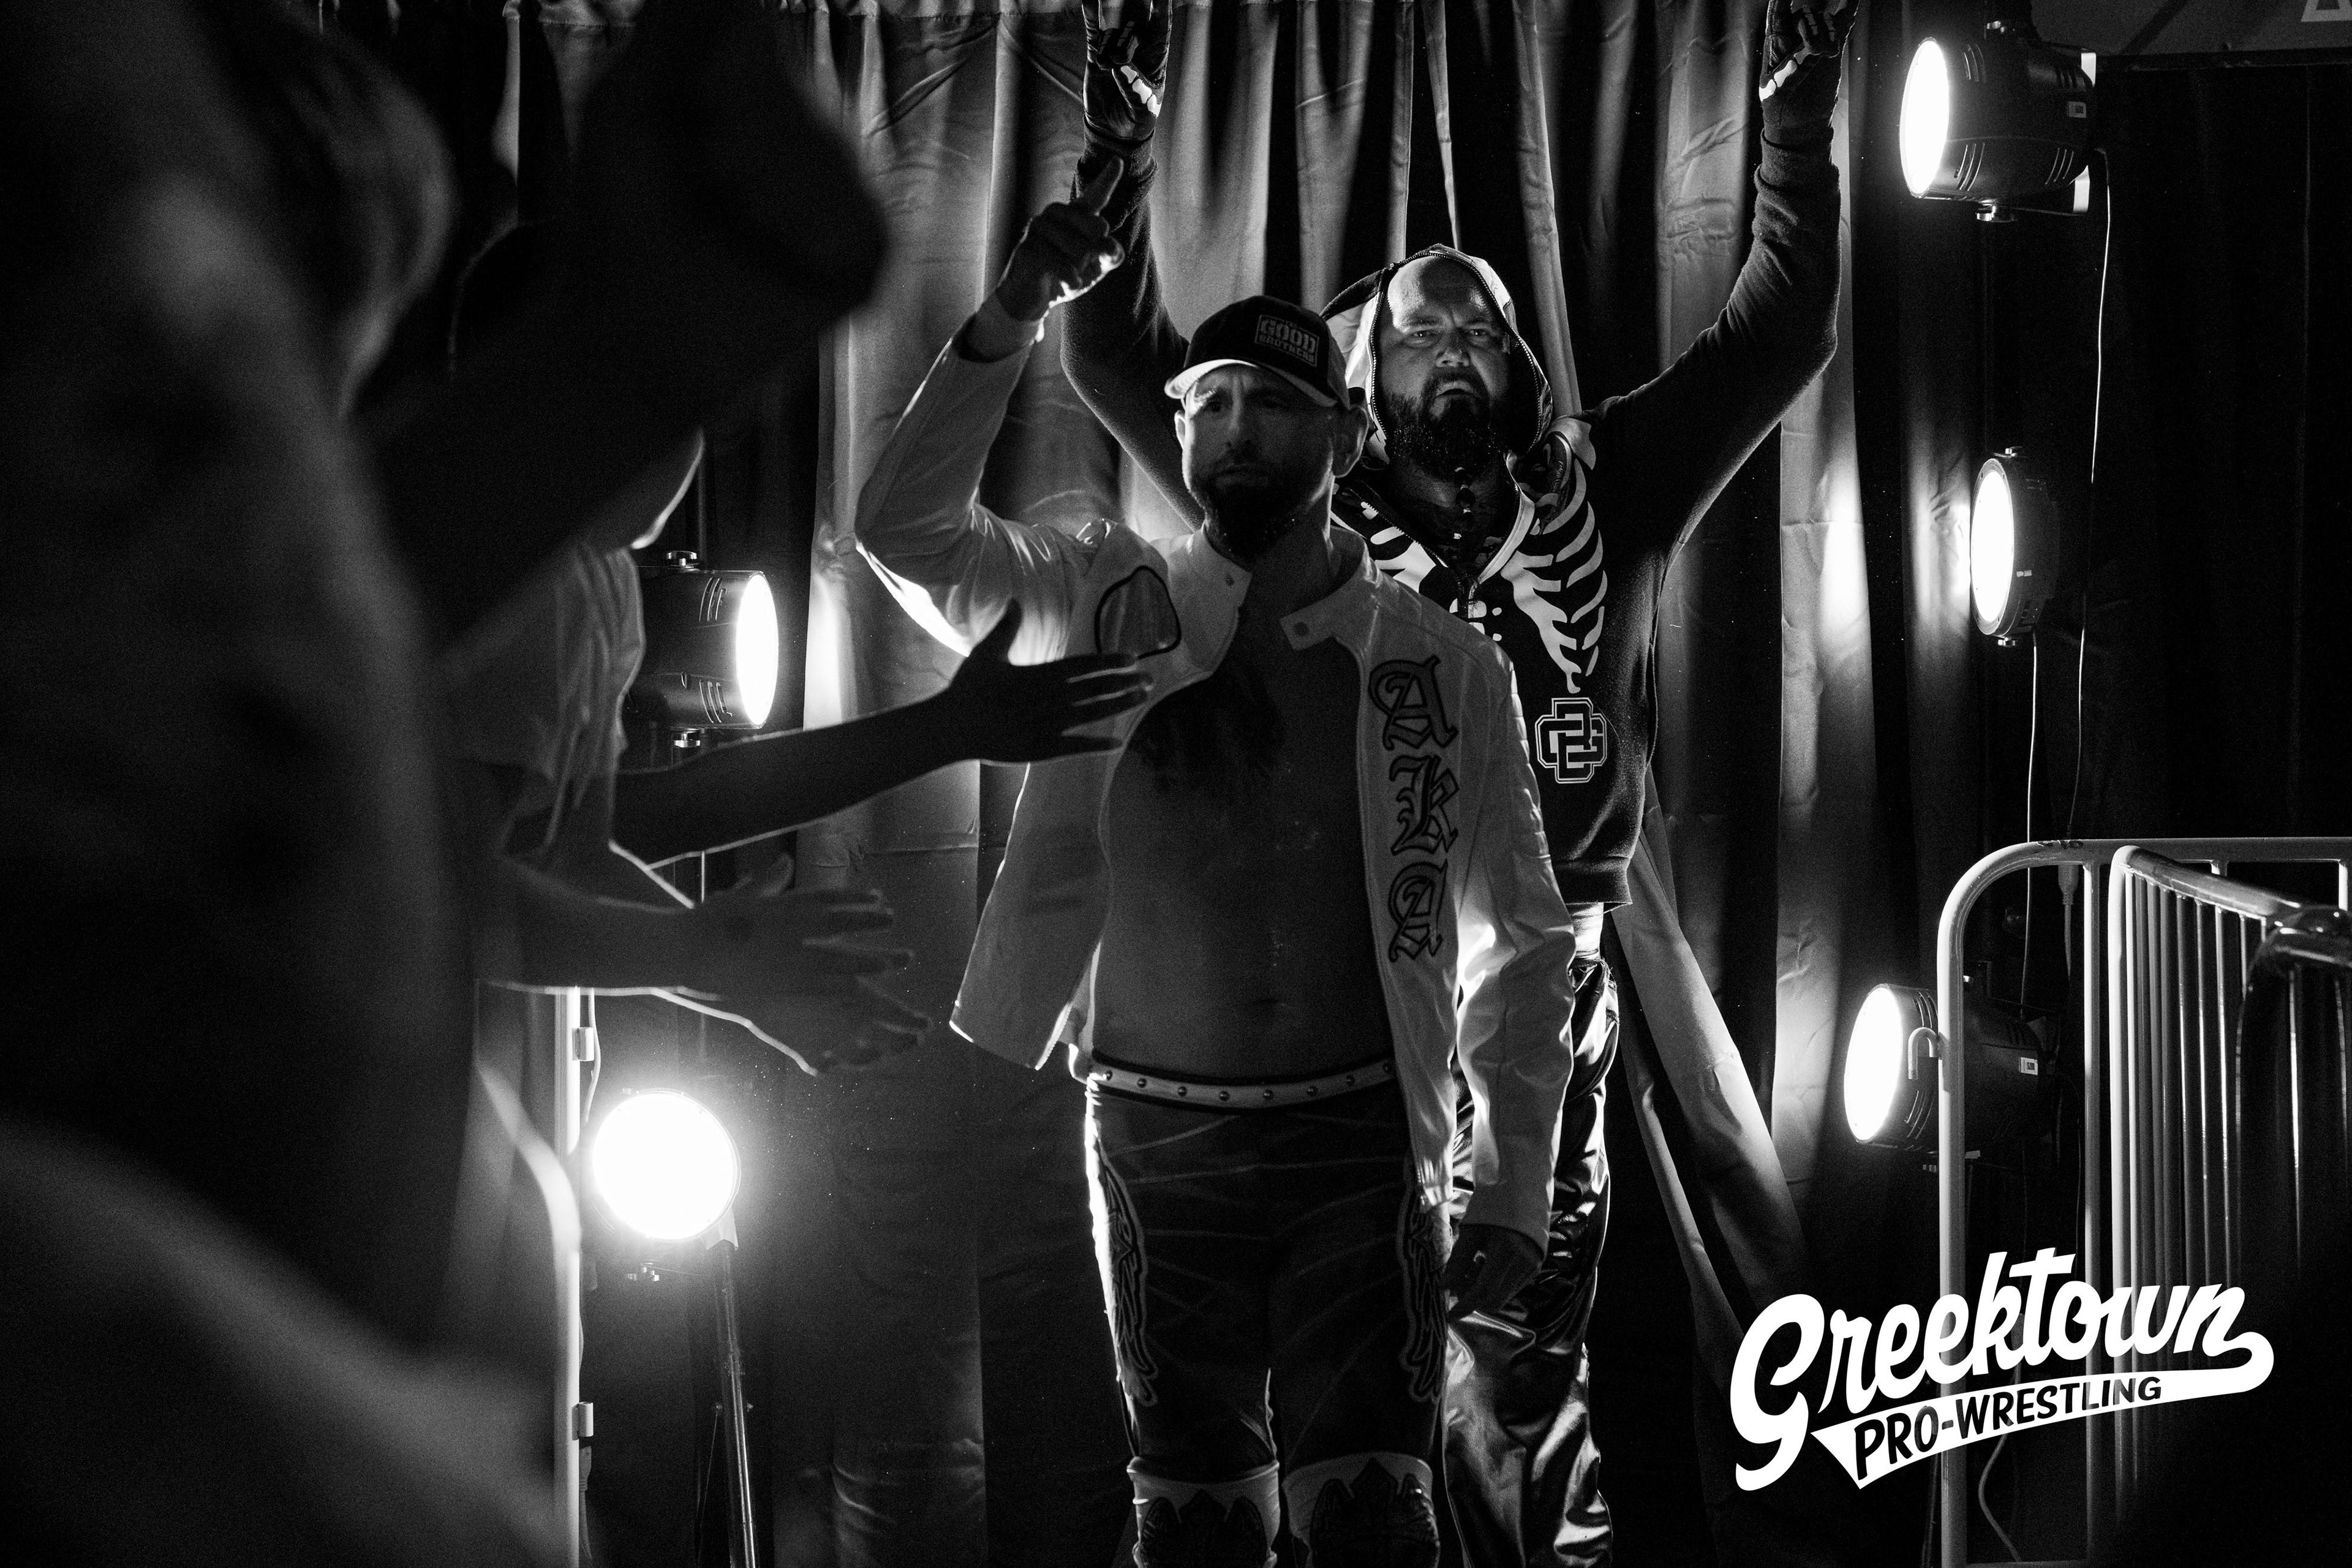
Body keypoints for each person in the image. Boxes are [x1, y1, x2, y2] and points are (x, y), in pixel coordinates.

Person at [1058, 2, 1850, 1561]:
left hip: (1550, 968)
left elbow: (1782, 335)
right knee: (1312, 1384)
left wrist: (1797, 121)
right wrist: (1121, 146)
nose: (1459, 349)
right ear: (1361, 379)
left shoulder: (1605, 480)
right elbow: (1110, 350)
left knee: (1519, 1357)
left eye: (1482, 328)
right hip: (1351, 985)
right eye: (1423, 332)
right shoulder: (1290, 508)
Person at [852, 162, 1591, 1568]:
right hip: (1154, 1136)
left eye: (1273, 403)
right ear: (1182, 427)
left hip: (1361, 1141)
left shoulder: (1443, 661)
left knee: (1380, 1526)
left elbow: (1527, 936)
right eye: (1213, 403)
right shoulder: (1095, 592)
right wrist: (1012, 313)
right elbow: (902, 534)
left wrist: (1509, 1179)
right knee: (1192, 1522)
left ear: (1346, 429)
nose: (1237, 430)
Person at [441, 225, 1152, 1076]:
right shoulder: (480, 580)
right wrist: (700, 957)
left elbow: (591, 848)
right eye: (655, 404)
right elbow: (449, 888)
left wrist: (736, 978)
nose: (685, 445)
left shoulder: (593, 576)